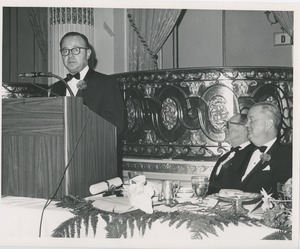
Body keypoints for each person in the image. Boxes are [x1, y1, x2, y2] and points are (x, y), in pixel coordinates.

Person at [50, 32, 124, 134]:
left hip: (94, 148)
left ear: (88, 53)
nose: (70, 55)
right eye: (65, 50)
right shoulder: (56, 88)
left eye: (76, 50)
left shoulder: (106, 83)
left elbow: (115, 128)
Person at [236, 102, 292, 197]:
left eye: (251, 120)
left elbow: (283, 198)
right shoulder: (240, 153)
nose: (246, 125)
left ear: (268, 124)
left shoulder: (288, 156)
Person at [207, 114, 253, 195]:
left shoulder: (252, 155)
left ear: (242, 128)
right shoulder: (225, 157)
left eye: (228, 125)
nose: (224, 129)